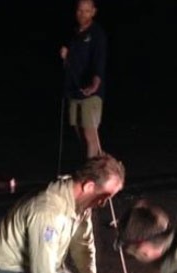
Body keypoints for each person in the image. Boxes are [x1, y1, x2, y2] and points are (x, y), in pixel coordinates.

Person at [60, 0, 107, 158]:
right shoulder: (74, 33)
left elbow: (99, 61)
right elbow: (71, 63)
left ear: (93, 11)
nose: (82, 14)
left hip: (90, 92)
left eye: (87, 11)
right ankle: (93, 167)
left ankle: (93, 173)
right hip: (74, 89)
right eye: (80, 10)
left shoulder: (97, 34)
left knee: (90, 135)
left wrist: (95, 83)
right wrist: (65, 56)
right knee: (79, 131)